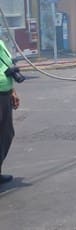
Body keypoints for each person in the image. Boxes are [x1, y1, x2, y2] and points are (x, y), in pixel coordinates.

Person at [0, 39, 20, 185]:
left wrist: (12, 90)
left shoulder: (0, 43)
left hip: (4, 94)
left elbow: (5, 64)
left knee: (6, 134)